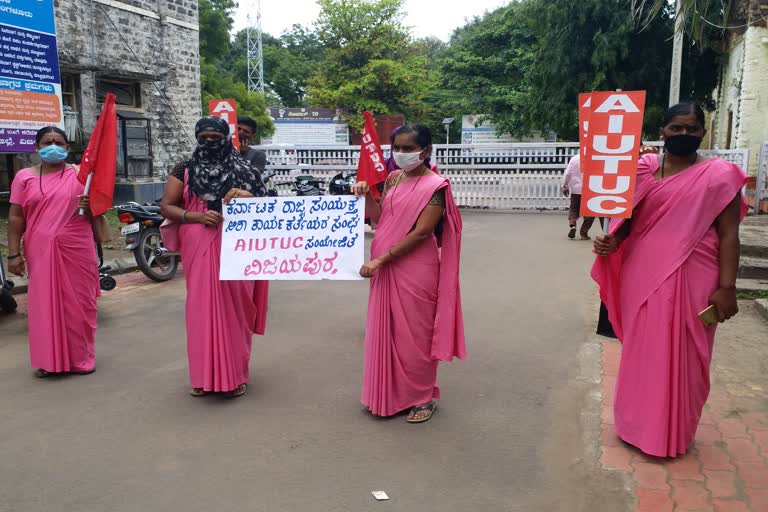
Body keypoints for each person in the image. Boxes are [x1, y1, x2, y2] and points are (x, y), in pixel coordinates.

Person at [592, 102, 747, 457]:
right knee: (643, 351)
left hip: (698, 276)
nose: (683, 135)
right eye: (676, 128)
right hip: (644, 272)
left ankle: (674, 430)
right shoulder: (644, 169)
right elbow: (627, 219)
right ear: (662, 130)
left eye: (691, 129)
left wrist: (727, 288)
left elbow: (728, 235)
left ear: (702, 133)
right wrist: (613, 239)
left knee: (689, 355)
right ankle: (635, 425)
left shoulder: (720, 175)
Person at [352, 125, 465, 423]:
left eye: (408, 148)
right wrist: (364, 195)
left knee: (415, 335)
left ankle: (422, 397)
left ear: (426, 151)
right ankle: (388, 393)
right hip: (384, 265)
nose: (401, 154)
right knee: (386, 331)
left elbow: (422, 233)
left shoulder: (437, 186)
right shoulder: (393, 178)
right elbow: (379, 219)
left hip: (416, 268)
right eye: (397, 149)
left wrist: (380, 261)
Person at [160, 116, 269, 398]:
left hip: (238, 244)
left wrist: (248, 196)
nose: (209, 142)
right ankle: (202, 377)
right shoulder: (184, 167)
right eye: (204, 137)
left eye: (215, 137)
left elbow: (267, 207)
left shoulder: (245, 168)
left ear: (226, 137)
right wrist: (195, 215)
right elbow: (167, 206)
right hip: (198, 241)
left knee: (238, 308)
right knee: (201, 309)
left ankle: (235, 375)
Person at [7, 126, 99, 378]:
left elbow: (99, 210)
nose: (53, 145)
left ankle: (82, 358)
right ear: (36, 148)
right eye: (47, 142)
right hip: (40, 249)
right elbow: (15, 218)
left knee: (80, 303)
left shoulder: (83, 174)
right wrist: (13, 253)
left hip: (78, 247)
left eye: (59, 142)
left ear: (68, 148)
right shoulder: (24, 177)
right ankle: (49, 360)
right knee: (44, 304)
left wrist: (90, 205)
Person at [561, 154, 595, 240]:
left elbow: (568, 173)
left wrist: (564, 185)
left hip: (576, 190)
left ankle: (572, 224)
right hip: (590, 189)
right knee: (589, 213)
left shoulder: (574, 158)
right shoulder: (594, 157)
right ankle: (584, 233)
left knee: (574, 209)